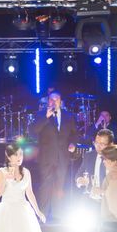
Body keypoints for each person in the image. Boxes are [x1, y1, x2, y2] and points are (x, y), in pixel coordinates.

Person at [30, 91, 77, 220]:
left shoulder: (68, 116)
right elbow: (33, 132)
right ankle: (42, 215)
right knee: (45, 185)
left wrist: (73, 143)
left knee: (59, 186)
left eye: (57, 99)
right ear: (48, 101)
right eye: (51, 99)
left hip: (62, 157)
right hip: (46, 157)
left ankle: (57, 216)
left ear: (60, 102)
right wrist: (46, 117)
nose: (54, 102)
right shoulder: (40, 115)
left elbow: (74, 133)